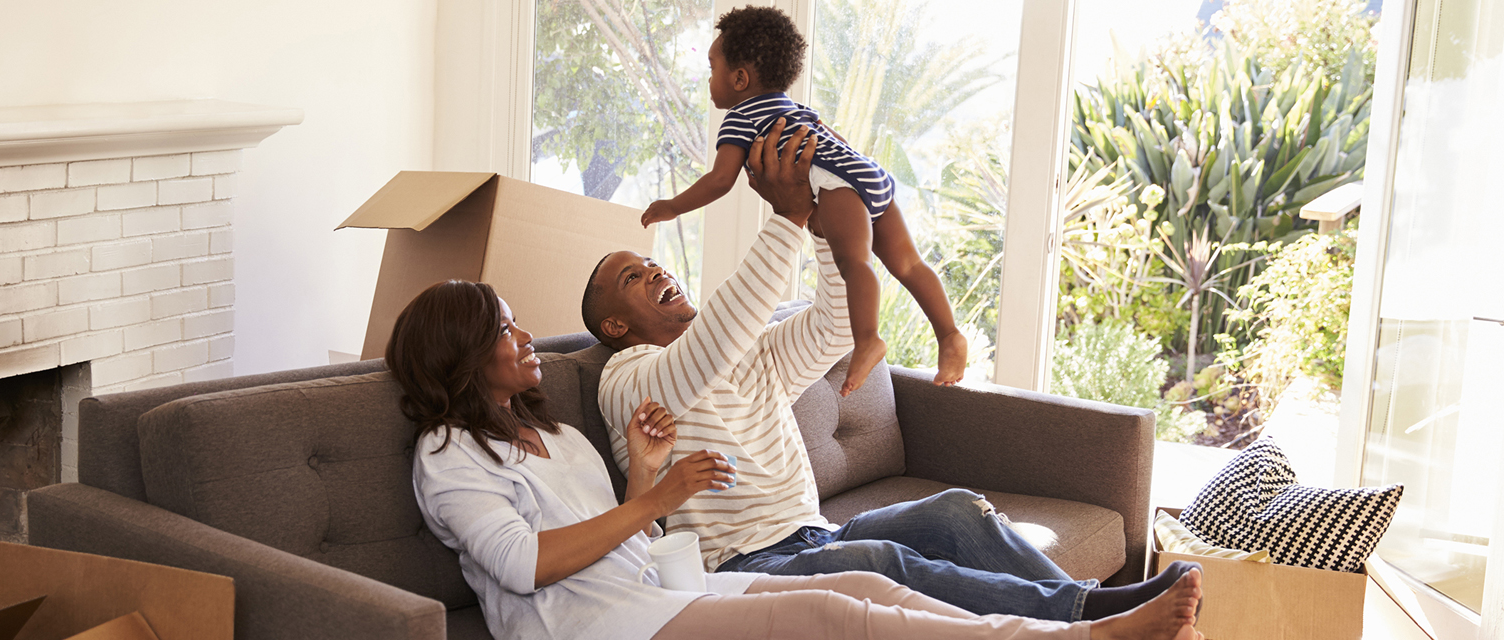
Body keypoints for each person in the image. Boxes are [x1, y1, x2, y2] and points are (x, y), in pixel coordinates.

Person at [587, 109, 1203, 623]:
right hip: (743, 566)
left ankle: (1101, 611)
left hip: (815, 533)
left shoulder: (750, 349)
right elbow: (703, 356)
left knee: (956, 510)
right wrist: (786, 216)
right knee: (881, 563)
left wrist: (823, 223)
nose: (656, 270)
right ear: (614, 325)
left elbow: (835, 327)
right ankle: (1091, 617)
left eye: (653, 261)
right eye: (632, 277)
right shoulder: (626, 380)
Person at [393, 278, 1204, 640]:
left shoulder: (559, 437)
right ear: (461, 350)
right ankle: (1087, 636)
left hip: (658, 588)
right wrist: (654, 497)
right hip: (590, 626)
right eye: (503, 327)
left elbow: (630, 541)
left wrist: (643, 472)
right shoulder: (453, 451)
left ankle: (1083, 614)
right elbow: (524, 566)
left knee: (870, 584)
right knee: (834, 613)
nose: (524, 335)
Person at [640, 5, 967, 394]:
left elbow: (721, 180)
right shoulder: (795, 109)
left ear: (740, 78)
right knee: (910, 264)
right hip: (867, 171)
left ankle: (868, 339)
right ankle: (949, 335)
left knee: (854, 262)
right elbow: (834, 140)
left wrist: (672, 206)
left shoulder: (741, 118)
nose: (709, 79)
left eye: (712, 69)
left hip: (836, 183)